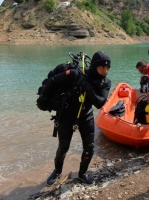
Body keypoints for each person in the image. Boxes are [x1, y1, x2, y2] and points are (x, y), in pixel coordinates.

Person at [41, 51, 111, 186]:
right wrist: (43, 100)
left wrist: (87, 86)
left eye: (108, 68)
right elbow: (53, 80)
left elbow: (100, 102)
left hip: (86, 116)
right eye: (102, 67)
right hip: (66, 116)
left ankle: (83, 173)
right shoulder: (76, 74)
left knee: (89, 148)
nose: (106, 71)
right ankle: (57, 171)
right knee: (63, 147)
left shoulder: (105, 82)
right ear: (95, 66)